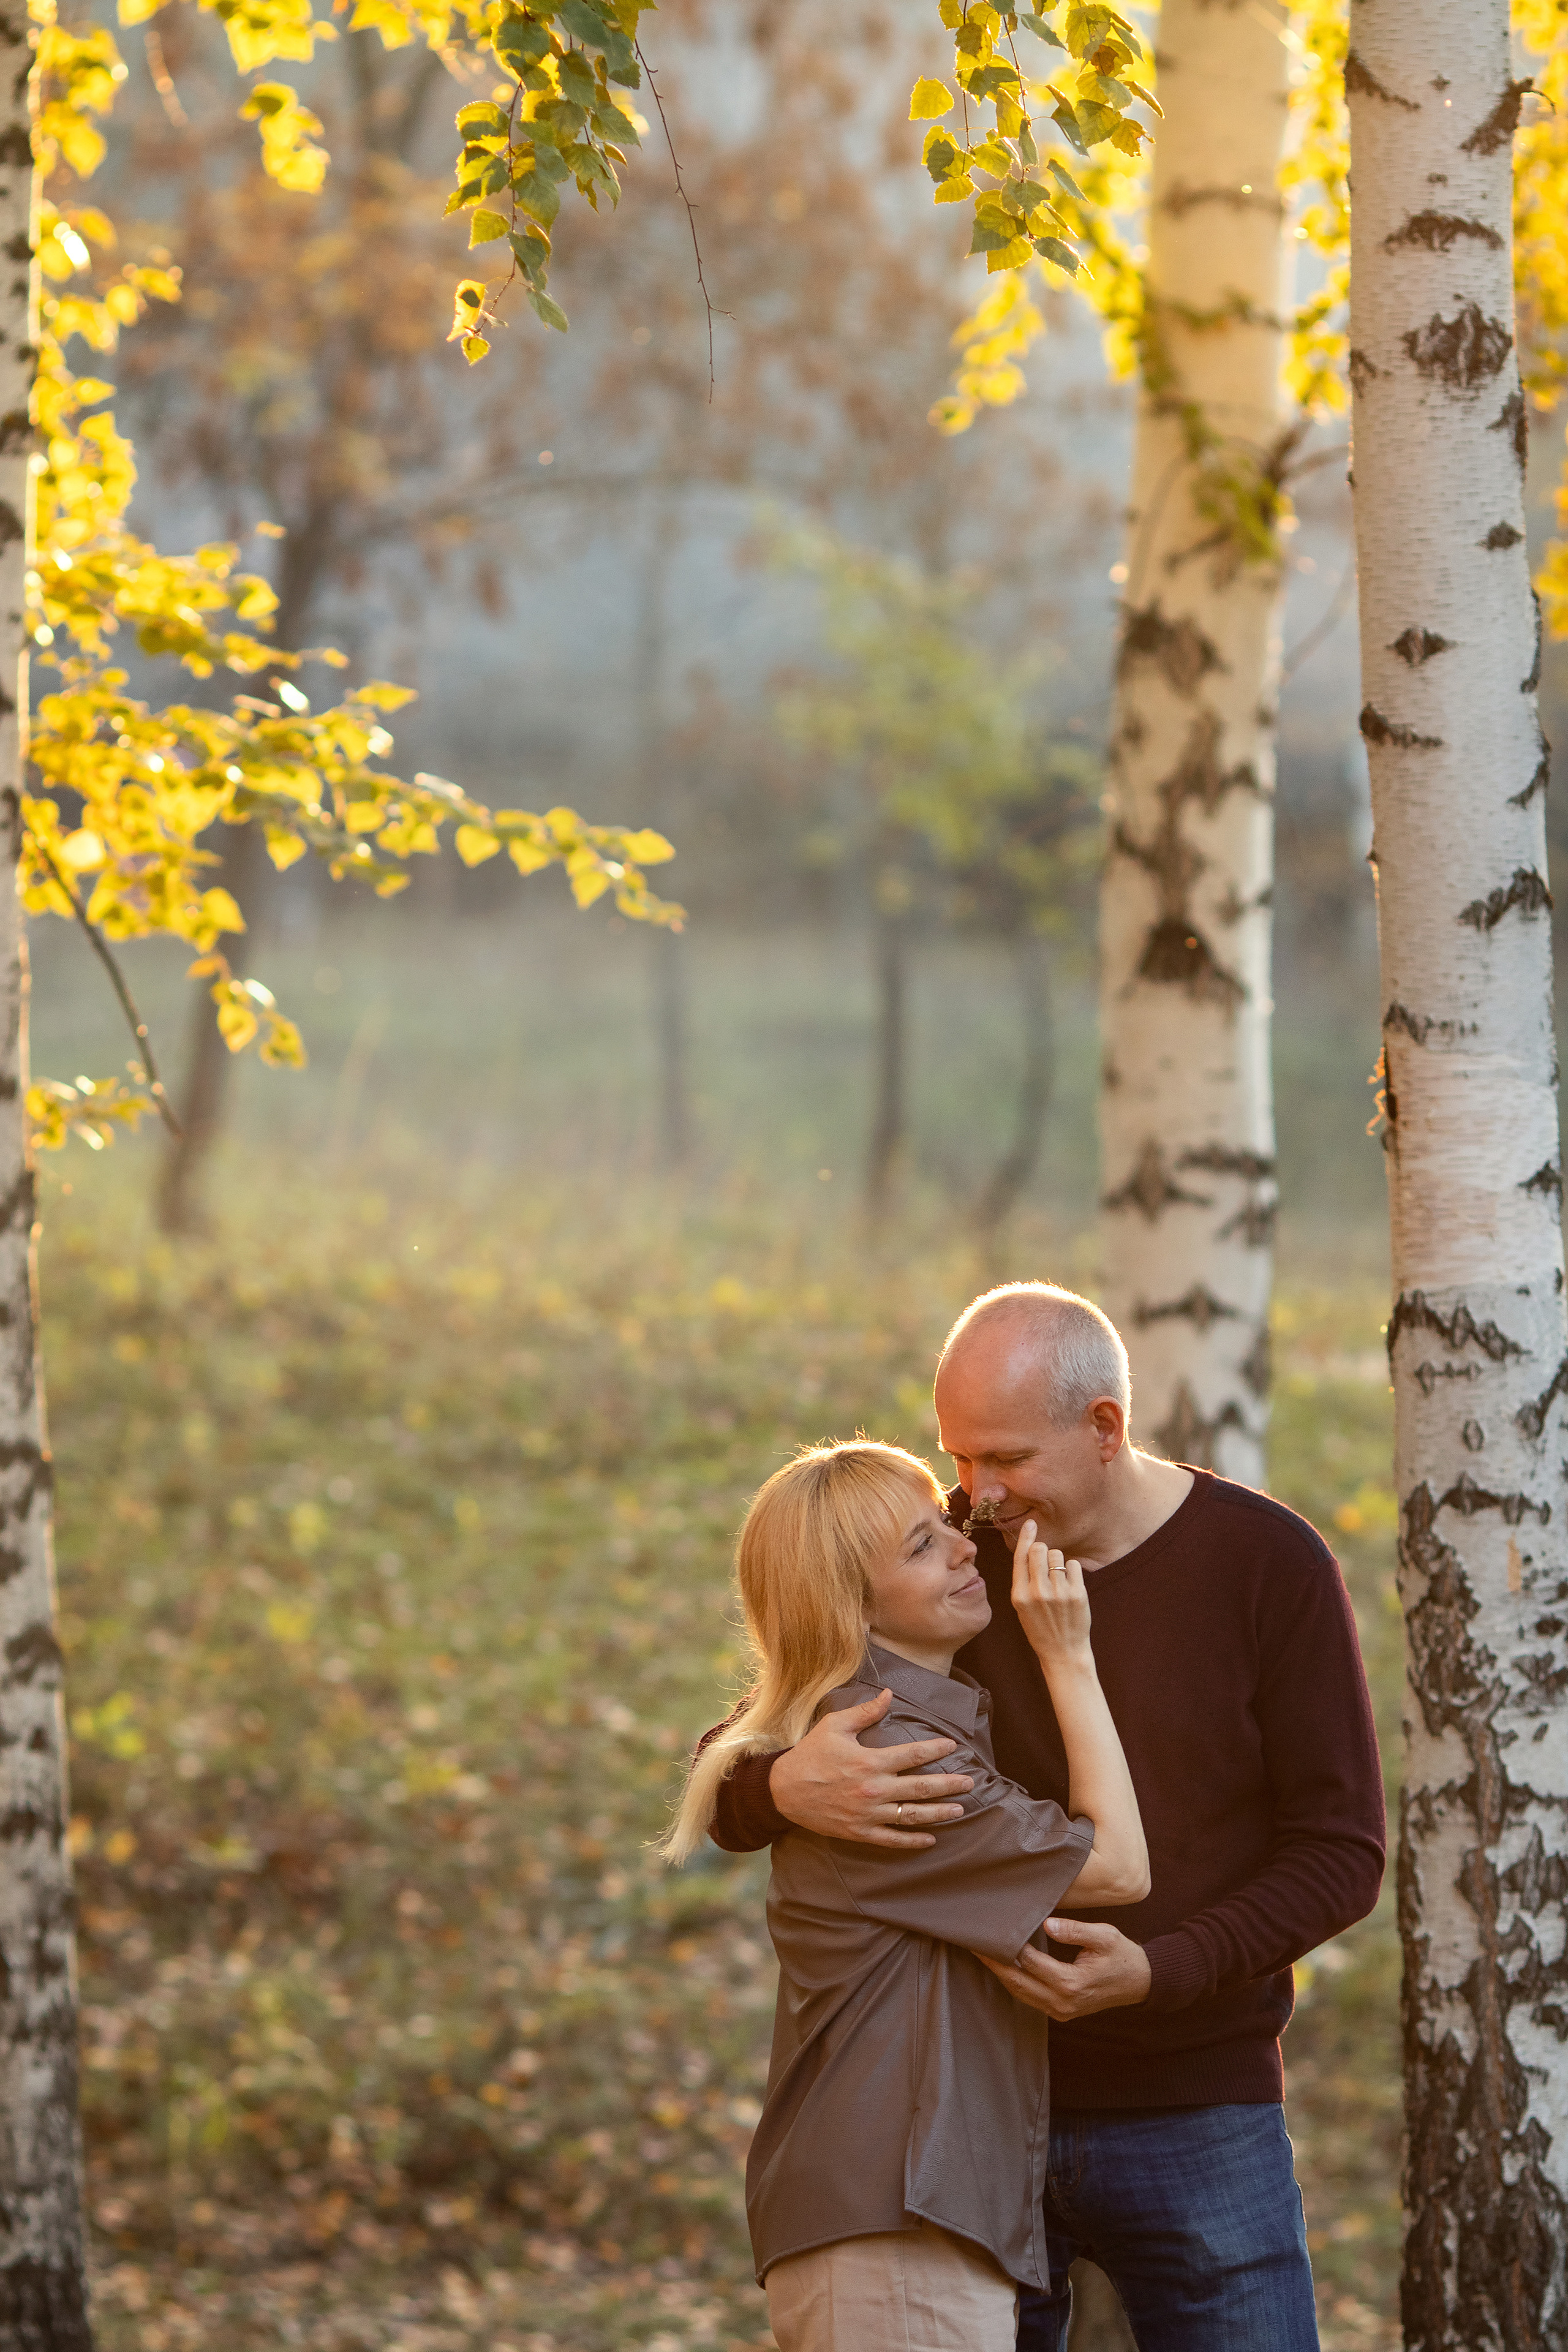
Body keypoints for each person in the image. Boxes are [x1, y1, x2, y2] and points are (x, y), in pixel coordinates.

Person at [707, 1285, 1386, 2352]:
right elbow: (762, 1723)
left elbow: (1341, 1857)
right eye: (958, 1458)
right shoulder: (959, 1573)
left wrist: (1163, 1973)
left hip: (1198, 2108)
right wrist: (780, 1786)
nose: (976, 1493)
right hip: (977, 2126)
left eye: (1006, 1459)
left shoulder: (1270, 1567)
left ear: (1105, 1428)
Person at [663, 1438, 1148, 2352]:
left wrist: (764, 1787)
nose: (967, 1547)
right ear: (847, 1603)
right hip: (894, 2216)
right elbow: (1120, 1869)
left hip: (905, 2216)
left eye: (947, 1527)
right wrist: (1067, 1652)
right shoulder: (889, 1755)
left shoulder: (874, 1725)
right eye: (923, 1547)